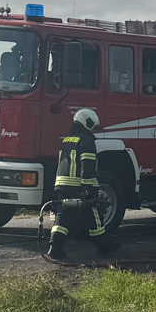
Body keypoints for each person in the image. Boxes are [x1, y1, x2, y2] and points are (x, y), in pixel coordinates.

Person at [47, 109, 118, 259]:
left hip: (61, 184)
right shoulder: (87, 141)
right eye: (93, 126)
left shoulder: (66, 140)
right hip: (79, 184)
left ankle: (55, 247)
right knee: (94, 213)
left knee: (62, 216)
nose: (93, 130)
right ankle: (104, 245)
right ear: (87, 122)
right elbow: (88, 165)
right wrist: (87, 187)